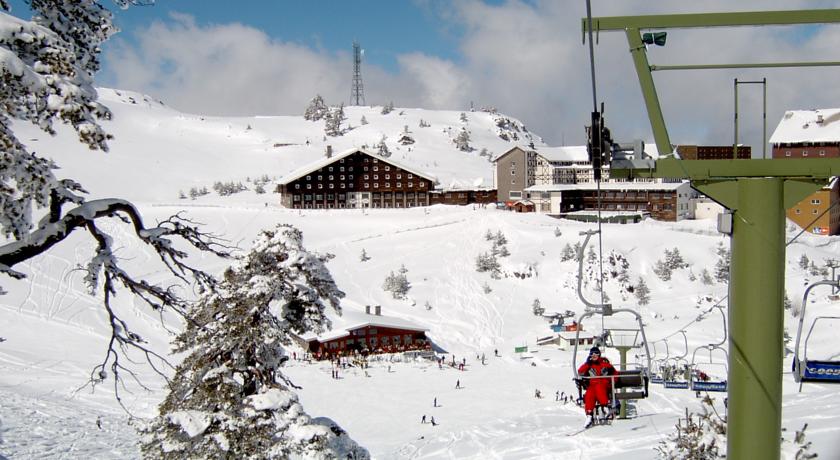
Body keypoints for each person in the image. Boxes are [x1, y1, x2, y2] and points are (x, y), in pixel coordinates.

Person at [576, 346, 617, 426]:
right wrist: (587, 364)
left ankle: (604, 406)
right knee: (589, 393)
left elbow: (615, 373)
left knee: (598, 386)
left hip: (604, 384)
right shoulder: (589, 365)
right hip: (593, 386)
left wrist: (612, 382)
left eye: (596, 353)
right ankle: (589, 414)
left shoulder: (605, 364)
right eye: (592, 354)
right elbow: (580, 372)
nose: (594, 355)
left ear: (599, 354)